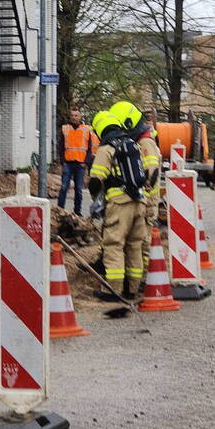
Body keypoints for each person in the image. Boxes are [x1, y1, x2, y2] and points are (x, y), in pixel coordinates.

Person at [89, 111, 147, 300]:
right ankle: (132, 288)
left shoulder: (107, 148)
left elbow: (96, 180)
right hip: (139, 200)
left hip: (119, 203)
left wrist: (96, 202)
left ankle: (114, 290)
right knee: (134, 245)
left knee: (114, 244)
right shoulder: (133, 144)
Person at [109, 101, 161, 267]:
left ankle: (147, 278)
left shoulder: (145, 142)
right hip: (142, 200)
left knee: (143, 241)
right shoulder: (140, 140)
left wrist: (141, 190)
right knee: (136, 241)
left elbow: (152, 172)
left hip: (147, 200)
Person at [57, 108, 95, 216]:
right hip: (68, 163)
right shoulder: (65, 128)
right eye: (72, 115)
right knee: (64, 187)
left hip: (80, 164)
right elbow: (60, 146)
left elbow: (89, 148)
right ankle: (60, 210)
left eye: (76, 115)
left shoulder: (86, 130)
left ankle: (77, 212)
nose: (74, 117)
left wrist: (85, 162)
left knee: (78, 189)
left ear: (80, 117)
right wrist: (63, 161)